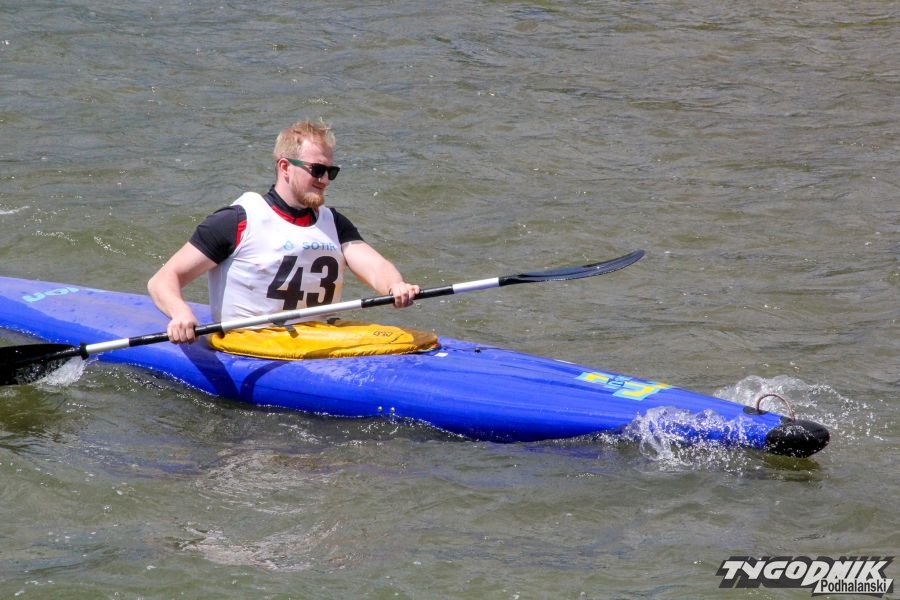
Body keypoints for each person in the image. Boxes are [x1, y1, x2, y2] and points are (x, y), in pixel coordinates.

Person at [148, 119, 420, 345]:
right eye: (317, 170)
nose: (325, 180)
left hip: (317, 341)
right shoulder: (237, 221)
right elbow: (163, 279)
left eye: (331, 172)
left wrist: (394, 285)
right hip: (250, 343)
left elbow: (374, 266)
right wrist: (180, 313)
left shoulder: (334, 223)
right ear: (285, 167)